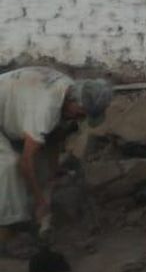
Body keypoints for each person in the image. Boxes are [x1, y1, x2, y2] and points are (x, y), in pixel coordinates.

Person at [1, 68, 113, 237]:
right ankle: (7, 230)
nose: (81, 119)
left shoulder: (69, 90)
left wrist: (51, 176)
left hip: (9, 108)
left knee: (39, 168)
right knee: (8, 164)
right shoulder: (46, 109)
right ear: (73, 101)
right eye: (81, 114)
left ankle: (23, 211)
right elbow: (26, 161)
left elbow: (53, 139)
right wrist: (41, 203)